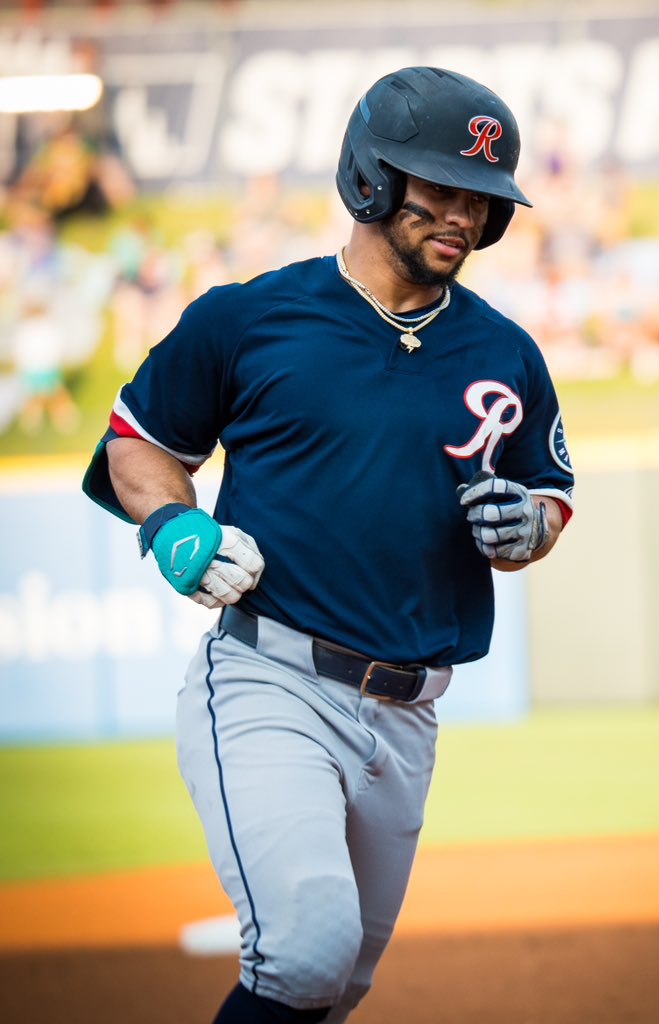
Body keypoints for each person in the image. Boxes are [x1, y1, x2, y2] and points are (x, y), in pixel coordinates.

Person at [82, 66, 574, 1023]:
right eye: (438, 187)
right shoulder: (248, 318)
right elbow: (137, 444)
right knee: (304, 950)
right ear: (369, 178)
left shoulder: (508, 352)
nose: (463, 214)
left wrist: (534, 525)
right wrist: (174, 524)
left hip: (412, 711)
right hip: (273, 680)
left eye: (481, 198)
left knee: (333, 989)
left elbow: (549, 493)